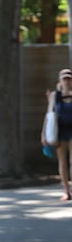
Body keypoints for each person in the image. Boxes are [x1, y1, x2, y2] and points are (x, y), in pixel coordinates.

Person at [41, 68, 72, 201]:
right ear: (60, 80)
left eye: (69, 78)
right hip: (59, 132)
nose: (67, 80)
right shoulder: (55, 95)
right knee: (62, 162)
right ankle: (66, 191)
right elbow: (49, 115)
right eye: (64, 78)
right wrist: (43, 134)